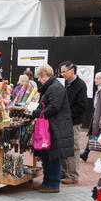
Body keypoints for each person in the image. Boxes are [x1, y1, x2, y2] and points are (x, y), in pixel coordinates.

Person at [27, 64, 74, 193]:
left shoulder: (55, 87)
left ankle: (53, 184)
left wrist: (36, 113)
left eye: (39, 77)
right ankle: (47, 182)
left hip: (55, 127)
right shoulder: (51, 87)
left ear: (44, 75)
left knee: (52, 156)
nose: (38, 80)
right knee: (46, 155)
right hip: (50, 127)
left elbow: (54, 107)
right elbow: (46, 105)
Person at [58, 61, 87, 185]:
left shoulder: (80, 85)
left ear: (72, 70)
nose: (62, 74)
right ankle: (64, 172)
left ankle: (73, 175)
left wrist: (67, 116)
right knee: (64, 148)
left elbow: (81, 106)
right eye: (61, 71)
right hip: (65, 121)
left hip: (73, 122)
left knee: (73, 149)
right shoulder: (67, 84)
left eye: (64, 71)